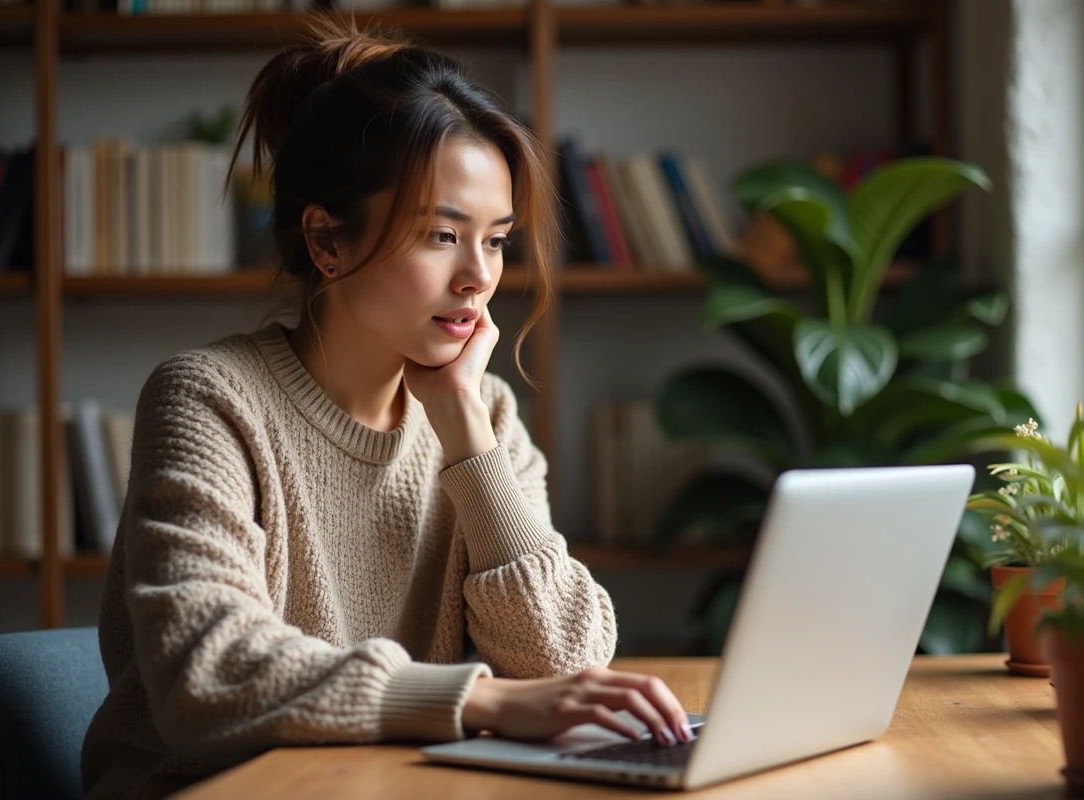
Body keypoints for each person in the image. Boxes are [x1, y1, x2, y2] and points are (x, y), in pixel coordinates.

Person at [80, 13, 692, 799]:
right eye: (442, 235)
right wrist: (480, 700)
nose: (478, 277)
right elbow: (209, 673)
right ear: (328, 243)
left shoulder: (489, 412)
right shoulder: (210, 398)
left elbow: (568, 666)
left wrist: (467, 435)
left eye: (498, 239)